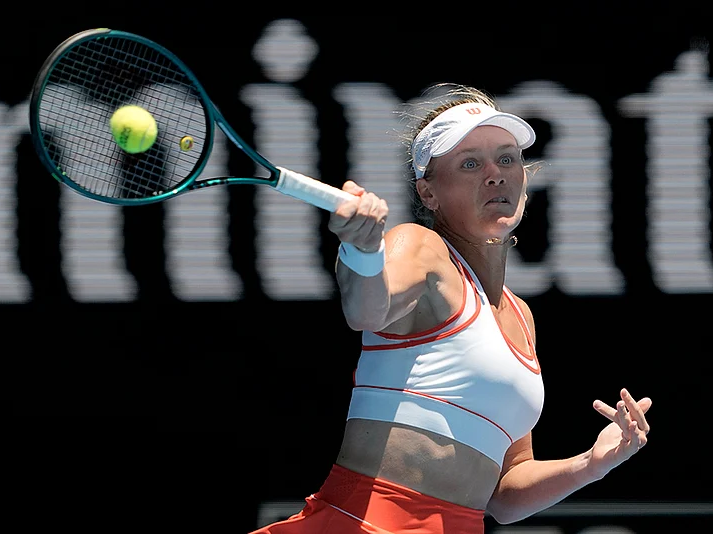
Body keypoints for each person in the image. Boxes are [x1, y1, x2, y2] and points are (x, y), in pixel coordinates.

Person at [249, 83, 652, 534]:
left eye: (506, 158)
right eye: (469, 164)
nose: (495, 174)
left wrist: (592, 463)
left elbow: (504, 496)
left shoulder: (520, 317)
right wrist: (363, 250)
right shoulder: (422, 247)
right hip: (365, 523)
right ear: (428, 193)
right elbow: (366, 312)